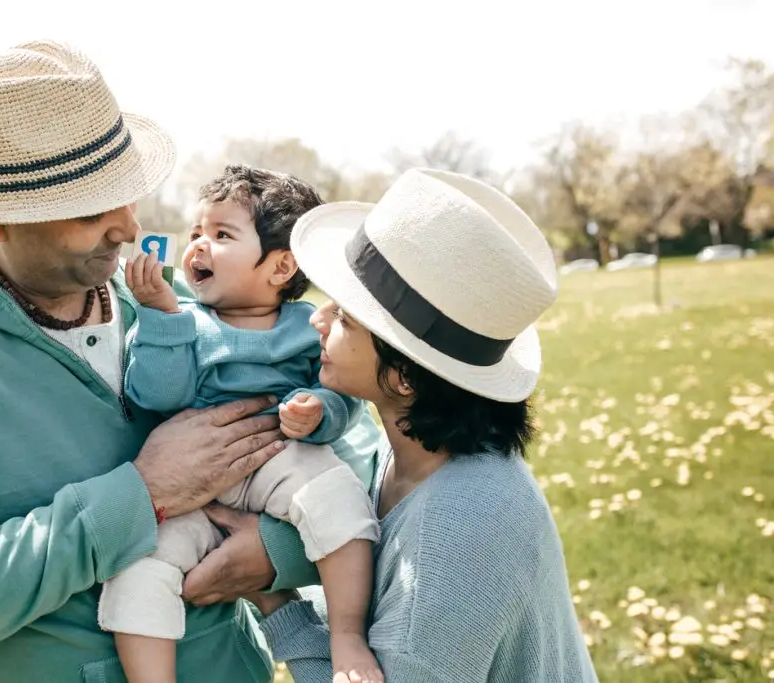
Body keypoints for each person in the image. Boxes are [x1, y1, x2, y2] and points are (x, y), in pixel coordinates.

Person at [0, 40, 345, 683]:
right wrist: (142, 496)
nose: (128, 227)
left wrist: (274, 553)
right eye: (91, 209)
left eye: (128, 194)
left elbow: (345, 482)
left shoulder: (184, 312)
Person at [186, 168, 600, 682]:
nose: (316, 319)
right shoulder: (411, 458)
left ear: (404, 375)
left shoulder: (464, 522)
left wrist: (276, 602)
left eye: (344, 319)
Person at [100, 165, 383, 683]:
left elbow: (343, 400)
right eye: (196, 233)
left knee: (341, 506)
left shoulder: (306, 326)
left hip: (281, 457)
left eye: (222, 235)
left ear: (280, 268)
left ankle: (345, 637)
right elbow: (158, 394)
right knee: (139, 564)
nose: (198, 247)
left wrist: (317, 413)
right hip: (192, 482)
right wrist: (160, 316)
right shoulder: (182, 318)